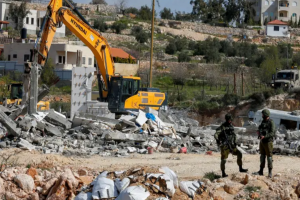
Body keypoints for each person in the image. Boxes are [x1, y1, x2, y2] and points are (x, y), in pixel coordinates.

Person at [254, 109, 275, 178]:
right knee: (262, 156)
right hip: (262, 142)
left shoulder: (271, 122)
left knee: (269, 157)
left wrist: (265, 136)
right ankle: (261, 171)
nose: (262, 115)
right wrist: (259, 132)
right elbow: (260, 128)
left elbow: (272, 133)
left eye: (263, 114)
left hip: (268, 142)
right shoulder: (263, 121)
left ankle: (270, 172)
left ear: (265, 115)